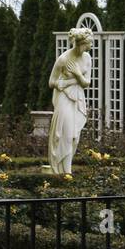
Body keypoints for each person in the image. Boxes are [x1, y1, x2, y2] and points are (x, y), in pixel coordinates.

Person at [47, 27, 93, 174]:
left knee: (75, 137)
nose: (90, 47)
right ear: (80, 44)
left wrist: (78, 75)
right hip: (63, 98)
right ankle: (65, 172)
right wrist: (62, 84)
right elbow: (51, 82)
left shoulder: (87, 58)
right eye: (88, 44)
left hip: (78, 97)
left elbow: (86, 83)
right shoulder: (63, 59)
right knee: (65, 134)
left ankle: (66, 170)